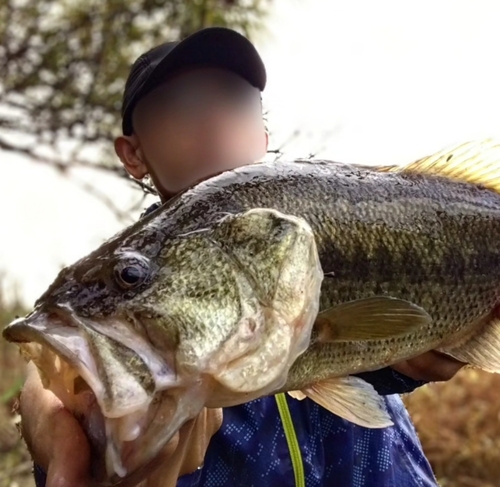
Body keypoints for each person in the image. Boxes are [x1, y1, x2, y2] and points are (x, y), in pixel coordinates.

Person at [20, 27, 466, 487]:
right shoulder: (152, 277)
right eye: (181, 105)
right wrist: (54, 421)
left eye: (235, 100)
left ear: (262, 133)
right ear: (133, 154)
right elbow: (64, 382)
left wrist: (413, 362)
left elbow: (370, 362)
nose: (213, 121)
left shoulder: (323, 218)